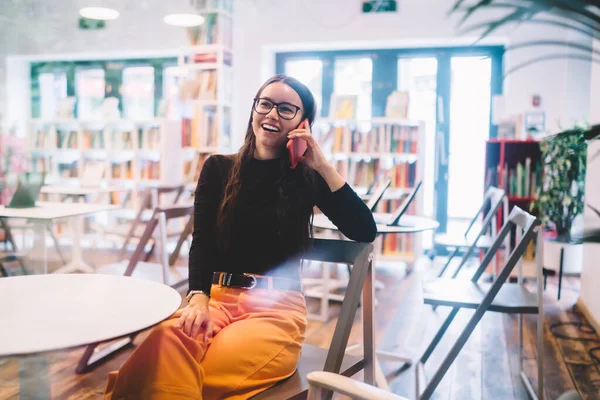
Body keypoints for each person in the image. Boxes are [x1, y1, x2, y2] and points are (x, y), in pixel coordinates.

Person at [104, 74, 377, 400]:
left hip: (275, 310)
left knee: (183, 374)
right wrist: (198, 297)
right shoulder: (218, 168)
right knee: (166, 340)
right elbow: (202, 241)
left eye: (286, 109)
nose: (272, 114)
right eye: (266, 104)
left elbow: (364, 230)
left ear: (303, 123)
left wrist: (322, 165)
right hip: (216, 298)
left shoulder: (307, 179)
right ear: (254, 110)